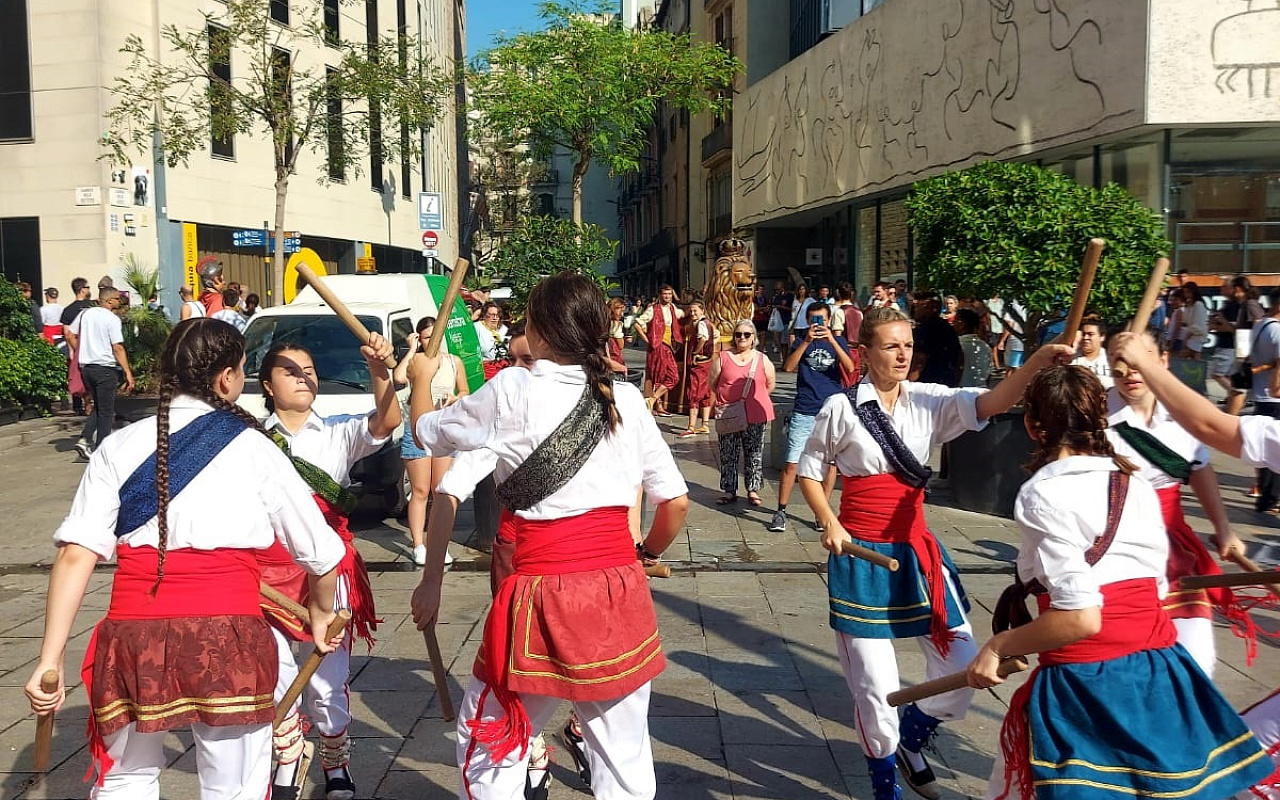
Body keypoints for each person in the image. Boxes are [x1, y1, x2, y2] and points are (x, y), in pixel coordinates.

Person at [24, 317, 345, 799]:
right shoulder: (255, 447)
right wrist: (319, 614)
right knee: (233, 788)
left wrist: (49, 660)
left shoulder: (117, 445)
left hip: (134, 633)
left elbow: (76, 555)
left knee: (126, 779)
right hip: (228, 634)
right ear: (227, 377)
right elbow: (320, 553)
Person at [410, 271, 690, 800]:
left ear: (537, 331)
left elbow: (425, 432)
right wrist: (644, 553)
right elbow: (674, 503)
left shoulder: (511, 389)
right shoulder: (627, 399)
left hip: (544, 595)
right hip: (619, 591)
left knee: (490, 740)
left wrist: (422, 378)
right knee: (624, 760)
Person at [800, 306, 1075, 800]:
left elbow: (992, 402)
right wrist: (830, 521)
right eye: (891, 345)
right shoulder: (841, 408)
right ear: (865, 353)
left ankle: (912, 735)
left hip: (918, 552)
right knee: (875, 684)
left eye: (907, 345)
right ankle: (885, 782)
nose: (902, 354)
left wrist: (1037, 360)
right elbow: (809, 469)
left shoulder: (929, 400)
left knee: (966, 665)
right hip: (862, 556)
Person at [966, 364, 1270, 800]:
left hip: (1089, 680)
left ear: (1032, 426)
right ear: (1101, 420)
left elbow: (1082, 617)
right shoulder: (1137, 485)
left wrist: (998, 646)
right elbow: (1156, 588)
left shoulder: (1041, 494)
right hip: (1158, 668)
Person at [256, 336, 400, 800]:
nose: (304, 378)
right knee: (275, 672)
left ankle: (335, 761)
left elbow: (388, 421)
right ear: (267, 384)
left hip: (327, 568)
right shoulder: (251, 439)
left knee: (326, 679)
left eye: (310, 370)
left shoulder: (337, 431)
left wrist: (379, 371)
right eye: (290, 371)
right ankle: (288, 754)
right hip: (268, 571)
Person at [1104, 332, 1248, 676]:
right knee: (1129, 657)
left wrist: (1223, 528)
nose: (1131, 372)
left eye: (1140, 360)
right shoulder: (1094, 416)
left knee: (1197, 657)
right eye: (1120, 363)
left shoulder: (1184, 412)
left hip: (1172, 545)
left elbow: (1198, 468)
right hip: (1116, 548)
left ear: (1162, 361)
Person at [771, 302, 855, 533]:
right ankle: (781, 510)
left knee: (830, 464)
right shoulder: (800, 340)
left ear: (829, 321)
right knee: (792, 463)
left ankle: (822, 512)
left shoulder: (839, 341)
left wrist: (832, 341)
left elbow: (850, 367)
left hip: (831, 409)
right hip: (805, 407)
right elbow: (788, 367)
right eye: (814, 320)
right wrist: (807, 341)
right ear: (808, 322)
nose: (818, 325)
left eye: (822, 320)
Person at [394, 316, 469, 567]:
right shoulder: (416, 361)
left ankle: (440, 543)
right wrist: (411, 349)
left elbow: (465, 391)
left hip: (443, 427)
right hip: (416, 427)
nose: (433, 341)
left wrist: (456, 398)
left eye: (436, 335)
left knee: (441, 490)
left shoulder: (453, 361)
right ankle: (418, 544)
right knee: (420, 490)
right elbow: (399, 377)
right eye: (427, 337)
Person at [710, 320, 775, 506]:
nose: (742, 338)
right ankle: (729, 490)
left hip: (755, 414)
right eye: (738, 334)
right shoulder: (723, 357)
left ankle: (753, 490)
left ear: (753, 337)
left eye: (747, 334)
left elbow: (770, 384)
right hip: (729, 413)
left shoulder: (762, 359)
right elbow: (712, 383)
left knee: (754, 453)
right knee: (728, 452)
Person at [67, 287, 134, 459]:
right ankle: (101, 450)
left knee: (99, 406)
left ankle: (85, 438)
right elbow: (117, 347)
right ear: (110, 300)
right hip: (105, 368)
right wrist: (127, 371)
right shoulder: (111, 319)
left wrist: (82, 351)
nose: (119, 301)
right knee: (106, 411)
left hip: (87, 368)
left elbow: (69, 334)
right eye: (117, 298)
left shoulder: (85, 314)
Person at [1210, 275, 1264, 416]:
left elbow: (1259, 323)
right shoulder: (1244, 305)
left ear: (1238, 289)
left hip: (1248, 351)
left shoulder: (1250, 304)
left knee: (1238, 384)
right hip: (1242, 350)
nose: (1230, 291)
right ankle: (1235, 413)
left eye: (1232, 288)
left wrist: (1255, 345)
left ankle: (1232, 416)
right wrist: (1223, 320)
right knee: (1239, 383)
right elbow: (1236, 330)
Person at [633, 284, 685, 417]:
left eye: (669, 294)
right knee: (670, 376)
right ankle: (654, 400)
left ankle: (655, 403)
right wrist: (648, 340)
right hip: (659, 346)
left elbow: (684, 313)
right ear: (660, 295)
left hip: (668, 346)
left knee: (660, 375)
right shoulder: (653, 309)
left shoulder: (672, 307)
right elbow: (637, 324)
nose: (667, 296)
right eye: (665, 294)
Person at [910, 292, 962, 387]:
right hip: (948, 385)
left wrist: (908, 384)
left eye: (918, 306)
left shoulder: (923, 330)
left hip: (925, 386)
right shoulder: (948, 328)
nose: (914, 310)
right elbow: (960, 357)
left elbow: (919, 360)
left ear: (932, 308)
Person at [679, 301, 714, 438]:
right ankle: (705, 424)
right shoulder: (709, 323)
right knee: (705, 393)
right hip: (708, 362)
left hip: (700, 363)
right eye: (691, 311)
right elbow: (715, 336)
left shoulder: (701, 324)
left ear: (702, 310)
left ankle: (691, 427)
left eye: (695, 311)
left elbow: (703, 338)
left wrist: (695, 352)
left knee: (694, 392)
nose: (692, 313)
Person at [61, 277, 96, 415]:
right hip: (93, 346)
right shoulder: (93, 307)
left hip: (78, 348)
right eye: (88, 287)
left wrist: (72, 350)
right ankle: (91, 404)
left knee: (78, 377)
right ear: (82, 290)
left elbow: (67, 333)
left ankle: (79, 406)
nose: (89, 290)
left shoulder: (68, 310)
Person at [1068, 315, 1112, 389]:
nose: (1085, 338)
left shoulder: (1111, 358)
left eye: (1090, 334)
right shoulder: (1070, 358)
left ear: (1102, 336)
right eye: (1083, 334)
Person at [954, 308, 994, 388]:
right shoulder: (985, 346)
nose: (953, 324)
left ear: (962, 324)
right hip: (981, 390)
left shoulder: (956, 346)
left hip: (961, 390)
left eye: (955, 321)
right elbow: (988, 374)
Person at [1180, 282, 1208, 360]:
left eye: (1188, 292)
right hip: (1190, 335)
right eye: (1185, 292)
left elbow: (1198, 325)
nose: (1186, 295)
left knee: (1194, 356)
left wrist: (1186, 336)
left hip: (1197, 336)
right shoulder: (1188, 305)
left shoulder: (1198, 304)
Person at [770, 282, 795, 355]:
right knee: (778, 341)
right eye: (775, 290)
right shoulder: (777, 297)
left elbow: (793, 309)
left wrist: (782, 307)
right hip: (778, 321)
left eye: (778, 289)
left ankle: (787, 356)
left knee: (785, 342)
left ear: (782, 288)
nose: (777, 291)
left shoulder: (790, 296)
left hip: (786, 321)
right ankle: (782, 356)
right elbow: (774, 305)